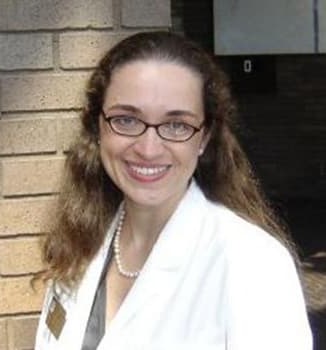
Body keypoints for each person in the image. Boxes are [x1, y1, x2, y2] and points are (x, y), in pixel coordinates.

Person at [34, 31, 312, 349]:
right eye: (126, 119)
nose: (149, 149)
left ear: (204, 138)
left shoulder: (254, 265)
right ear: (98, 127)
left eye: (176, 125)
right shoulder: (81, 240)